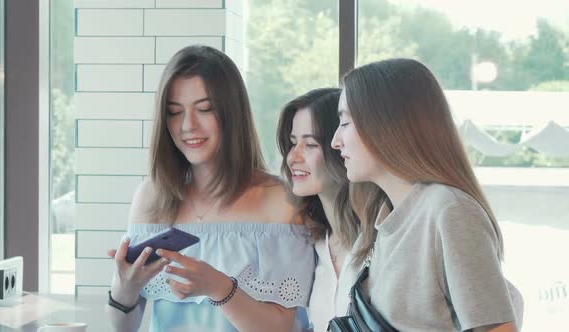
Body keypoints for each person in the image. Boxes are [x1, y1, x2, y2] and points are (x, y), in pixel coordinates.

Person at [106, 45, 315, 332]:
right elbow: (123, 327)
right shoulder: (150, 198)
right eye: (174, 112)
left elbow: (281, 327)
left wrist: (219, 288)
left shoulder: (279, 201)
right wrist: (126, 289)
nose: (187, 126)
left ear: (232, 114)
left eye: (204, 109)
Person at [331, 58, 523, 331]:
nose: (335, 141)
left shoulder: (449, 210)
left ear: (386, 124)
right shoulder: (383, 219)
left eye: (345, 122)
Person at [276, 88, 372, 332]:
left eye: (310, 144)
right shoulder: (311, 245)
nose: (292, 157)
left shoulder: (382, 240)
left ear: (340, 146)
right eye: (292, 143)